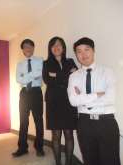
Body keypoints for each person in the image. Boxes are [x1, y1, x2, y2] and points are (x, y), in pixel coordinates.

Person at [67, 37, 121, 165]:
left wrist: (83, 99)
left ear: (94, 50)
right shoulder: (74, 76)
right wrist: (96, 95)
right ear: (76, 54)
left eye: (87, 49)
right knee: (90, 160)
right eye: (79, 51)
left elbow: (110, 99)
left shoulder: (107, 71)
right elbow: (73, 101)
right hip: (84, 124)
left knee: (111, 161)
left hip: (106, 123)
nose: (83, 54)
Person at [42, 37, 78, 165]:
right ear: (50, 48)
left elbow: (76, 77)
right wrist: (67, 74)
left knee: (69, 134)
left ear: (63, 47)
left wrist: (56, 74)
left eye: (59, 45)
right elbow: (47, 80)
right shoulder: (46, 64)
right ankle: (58, 163)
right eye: (53, 45)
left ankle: (68, 163)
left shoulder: (70, 61)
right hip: (53, 102)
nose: (56, 48)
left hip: (69, 101)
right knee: (56, 135)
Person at [12, 39, 45, 157]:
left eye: (30, 46)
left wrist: (25, 76)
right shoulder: (20, 64)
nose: (28, 48)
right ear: (22, 50)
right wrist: (32, 75)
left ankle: (39, 147)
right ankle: (22, 148)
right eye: (25, 47)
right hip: (24, 93)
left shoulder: (40, 60)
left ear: (34, 47)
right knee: (23, 120)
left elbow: (40, 73)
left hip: (36, 92)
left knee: (38, 120)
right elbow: (18, 79)